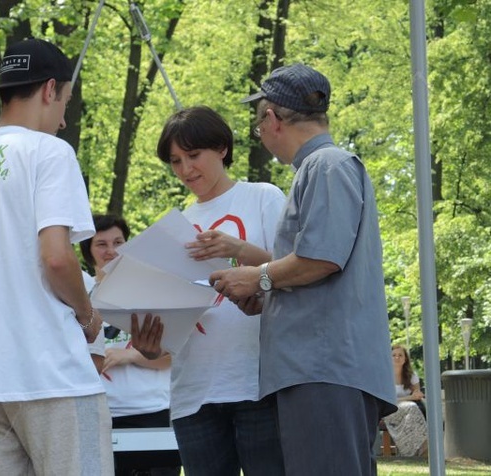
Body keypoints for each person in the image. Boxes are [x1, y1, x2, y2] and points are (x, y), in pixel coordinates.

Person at [0, 38, 113, 476]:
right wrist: (88, 316)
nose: (64, 119)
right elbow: (57, 258)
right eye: (65, 101)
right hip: (53, 375)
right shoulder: (50, 152)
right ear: (50, 90)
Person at [206, 64, 397, 475]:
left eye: (258, 125)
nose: (261, 134)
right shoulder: (325, 168)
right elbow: (315, 267)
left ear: (271, 118)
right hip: (320, 370)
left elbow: (321, 259)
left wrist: (255, 276)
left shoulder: (326, 166)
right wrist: (265, 293)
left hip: (322, 370)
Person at [134, 105, 286, 476]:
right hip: (194, 393)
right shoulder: (176, 227)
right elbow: (172, 317)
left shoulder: (263, 197)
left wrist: (239, 250)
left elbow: (296, 269)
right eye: (175, 161)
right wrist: (152, 347)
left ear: (221, 148)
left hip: (257, 384)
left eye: (193, 155)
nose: (186, 169)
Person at [80, 214, 179, 476]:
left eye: (119, 242)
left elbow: (174, 356)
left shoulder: (149, 292)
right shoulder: (79, 299)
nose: (111, 250)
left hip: (153, 412)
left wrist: (131, 357)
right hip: (101, 416)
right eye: (101, 244)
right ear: (88, 251)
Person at [383, 345, 428, 456]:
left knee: (412, 412)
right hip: (389, 411)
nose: (397, 358)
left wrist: (417, 395)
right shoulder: (384, 375)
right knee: (412, 407)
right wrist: (409, 398)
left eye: (400, 355)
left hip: (409, 412)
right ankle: (423, 448)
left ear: (405, 359)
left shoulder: (411, 376)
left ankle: (413, 451)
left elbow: (416, 395)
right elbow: (386, 400)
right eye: (394, 355)